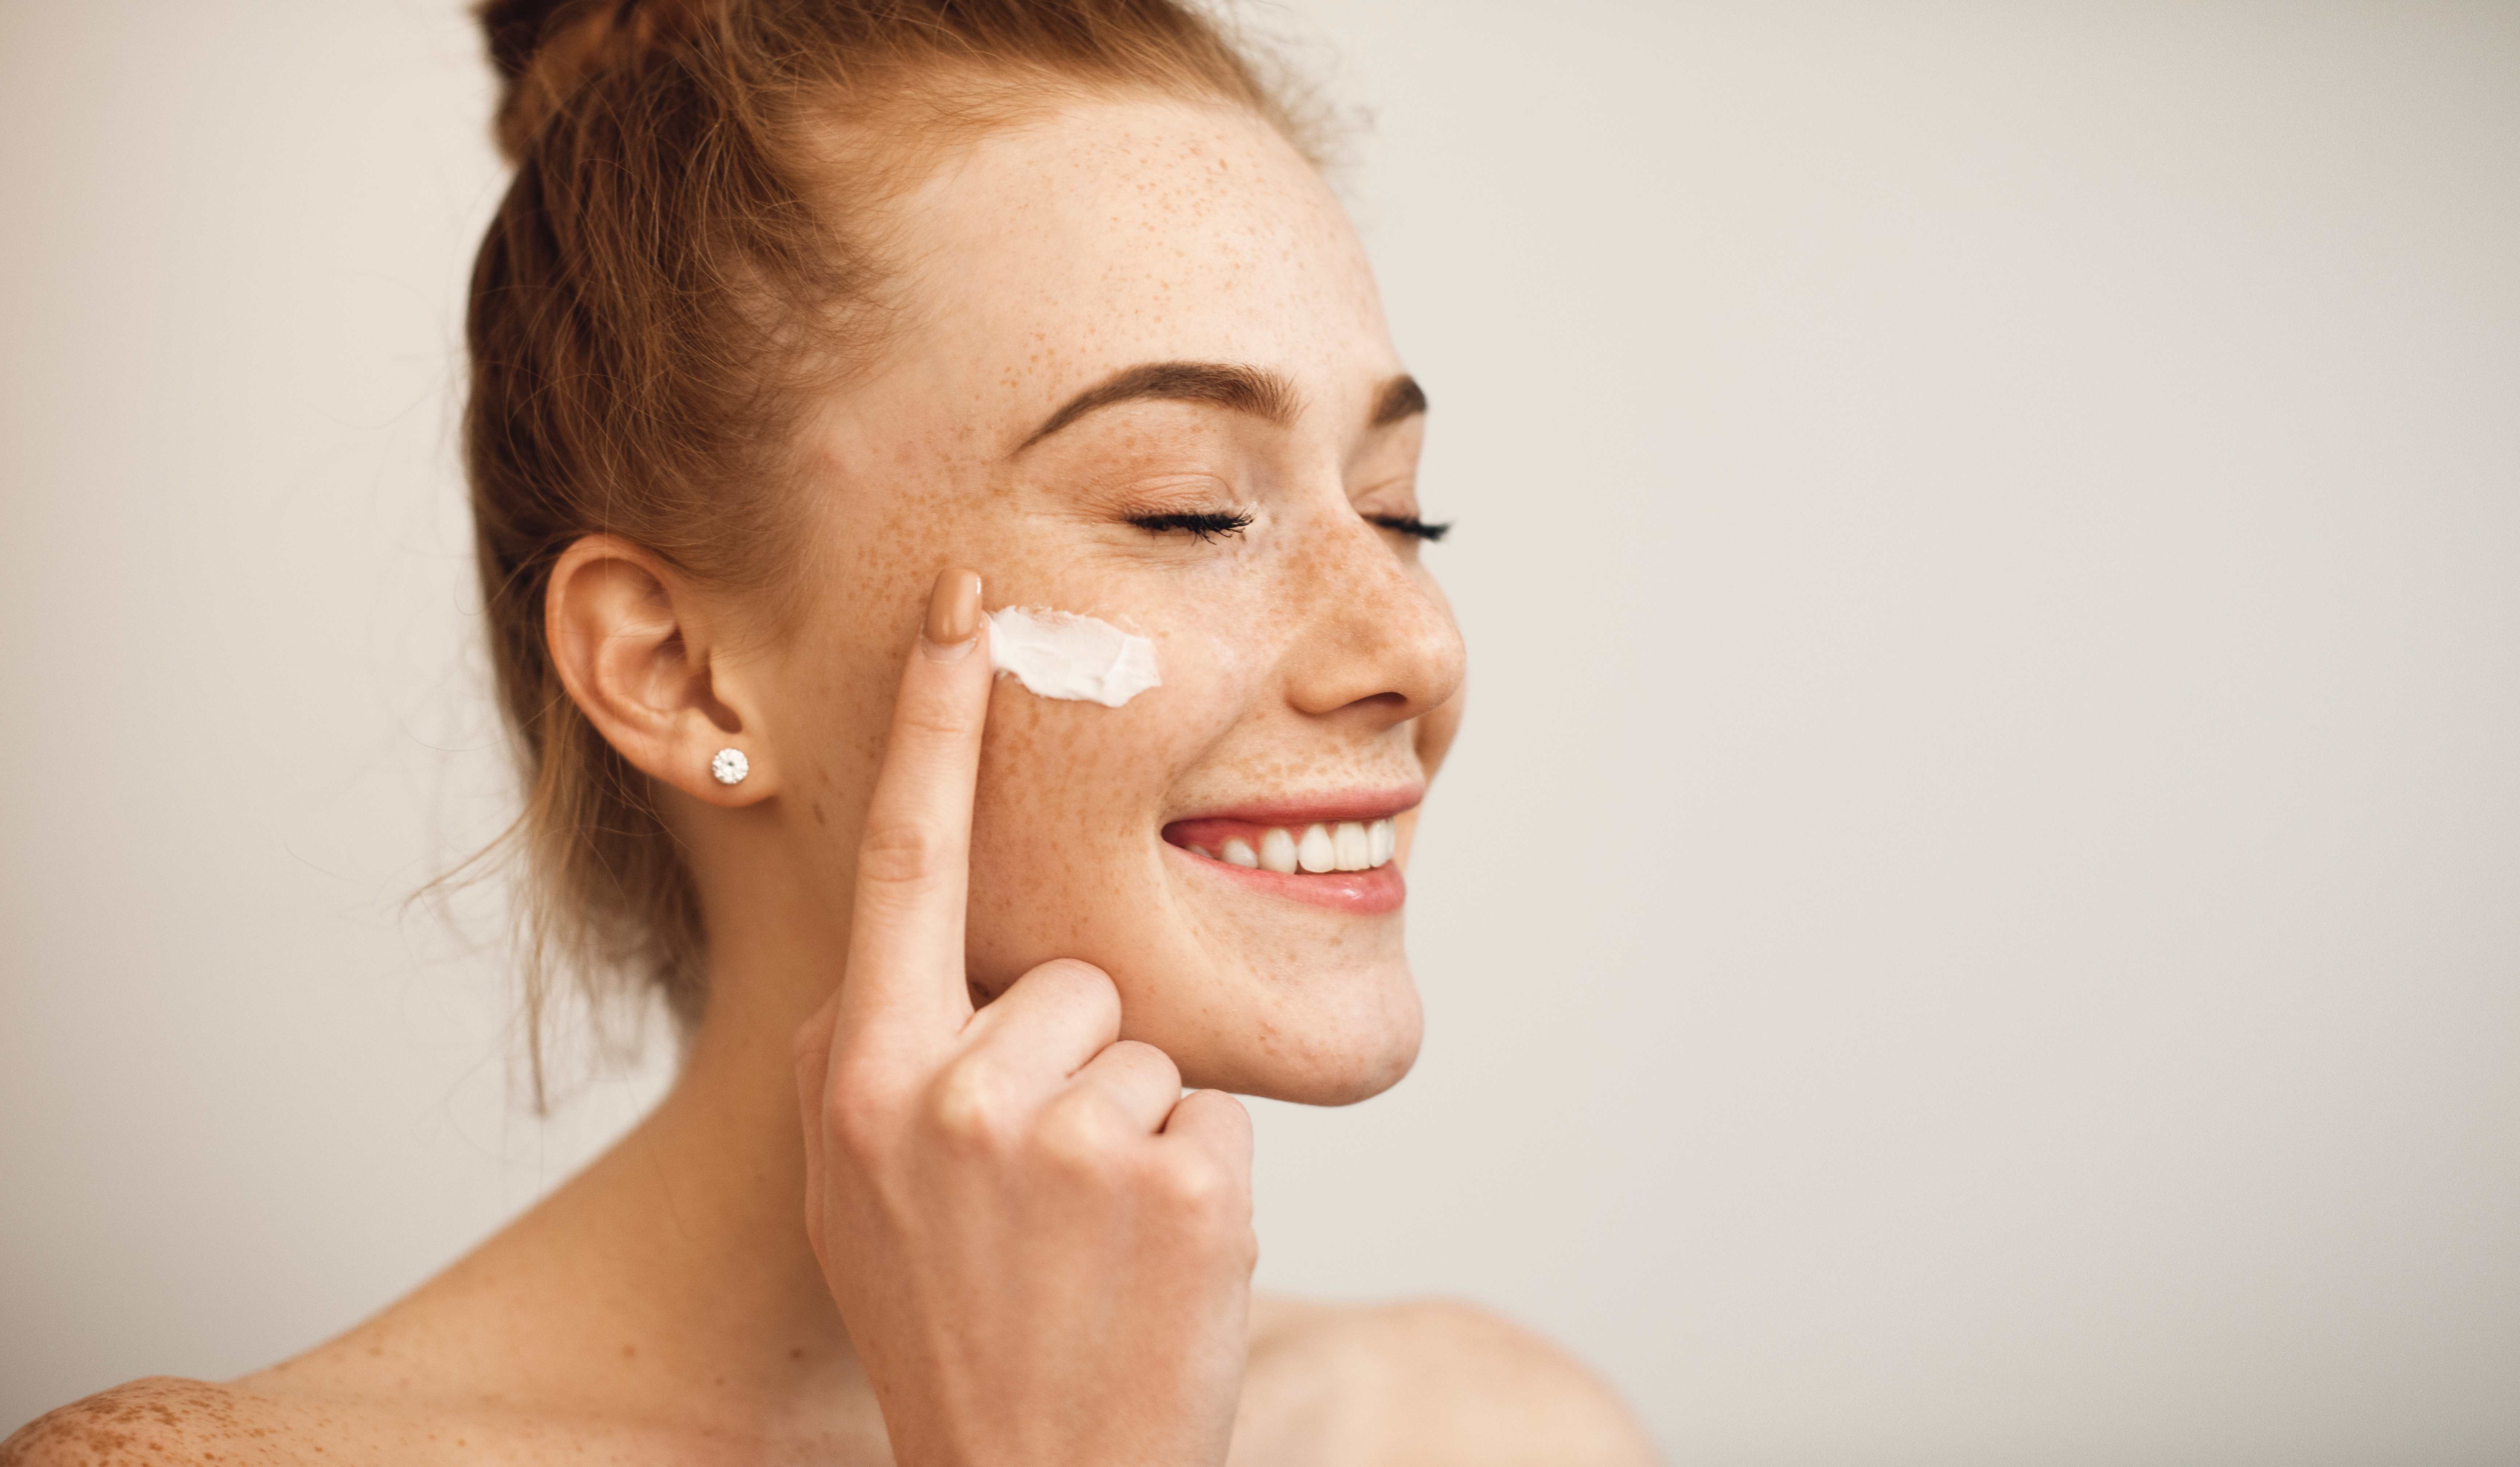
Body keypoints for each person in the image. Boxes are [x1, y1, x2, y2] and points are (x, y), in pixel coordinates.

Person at [4, 1, 1654, 1461]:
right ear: (676, 672)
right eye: (1187, 511)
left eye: (1397, 512)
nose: (1416, 647)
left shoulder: (1494, 1433)